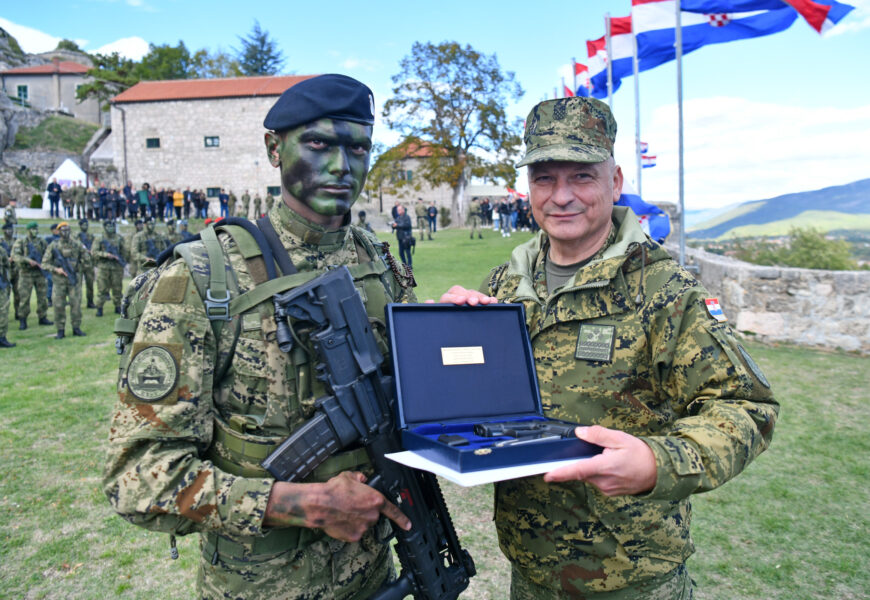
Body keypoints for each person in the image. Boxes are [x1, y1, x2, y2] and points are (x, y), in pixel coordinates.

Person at [440, 97, 779, 599]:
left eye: (581, 176)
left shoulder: (664, 290)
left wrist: (658, 461)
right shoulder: (506, 283)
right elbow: (482, 401)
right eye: (544, 178)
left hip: (630, 576)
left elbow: (746, 406)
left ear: (615, 181)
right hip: (530, 567)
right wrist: (448, 338)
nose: (561, 196)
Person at [103, 73, 417, 600]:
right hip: (261, 586)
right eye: (319, 144)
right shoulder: (204, 278)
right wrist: (301, 505)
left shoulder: (378, 262)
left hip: (373, 577)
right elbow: (138, 476)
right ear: (275, 149)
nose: (342, 166)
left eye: (358, 148)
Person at [42, 222, 87, 339]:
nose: (65, 233)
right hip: (59, 281)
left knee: (76, 305)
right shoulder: (54, 246)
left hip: (74, 280)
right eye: (62, 230)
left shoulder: (77, 244)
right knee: (58, 306)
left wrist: (79, 268)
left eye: (67, 230)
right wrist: (56, 269)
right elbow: (44, 264)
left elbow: (87, 259)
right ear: (58, 232)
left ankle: (76, 328)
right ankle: (60, 330)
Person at [12, 222, 53, 329]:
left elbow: (48, 254)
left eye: (36, 229)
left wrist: (44, 263)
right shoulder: (21, 242)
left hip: (39, 273)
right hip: (26, 273)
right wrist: (27, 260)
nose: (35, 231)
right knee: (24, 298)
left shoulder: (42, 242)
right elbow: (15, 256)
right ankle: (23, 319)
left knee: (42, 296)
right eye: (33, 229)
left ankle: (43, 317)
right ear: (28, 230)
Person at [94, 219, 127, 317]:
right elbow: (94, 252)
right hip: (103, 267)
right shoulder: (99, 239)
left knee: (117, 288)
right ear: (104, 227)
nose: (111, 228)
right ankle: (99, 308)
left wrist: (122, 260)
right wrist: (106, 255)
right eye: (108, 226)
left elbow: (124, 252)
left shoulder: (119, 238)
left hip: (116, 267)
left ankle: (117, 306)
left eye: (112, 226)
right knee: (102, 289)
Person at [1, 222, 20, 321]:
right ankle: (5, 314)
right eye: (7, 230)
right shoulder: (1, 242)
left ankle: (18, 313)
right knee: (5, 294)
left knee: (18, 293)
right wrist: (7, 259)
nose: (9, 232)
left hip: (16, 270)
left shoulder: (17, 241)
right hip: (6, 272)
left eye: (11, 229)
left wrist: (15, 258)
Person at [77, 219, 97, 309]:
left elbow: (95, 247)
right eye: (83, 225)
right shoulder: (76, 236)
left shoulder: (91, 236)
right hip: (79, 263)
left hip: (89, 263)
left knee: (90, 284)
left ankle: (90, 301)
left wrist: (91, 251)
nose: (85, 226)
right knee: (78, 284)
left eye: (86, 224)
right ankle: (77, 302)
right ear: (80, 226)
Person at [0, 237, 13, 347]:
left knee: (3, 310)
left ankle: (2, 337)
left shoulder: (1, 250)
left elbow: (6, 265)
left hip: (1, 285)